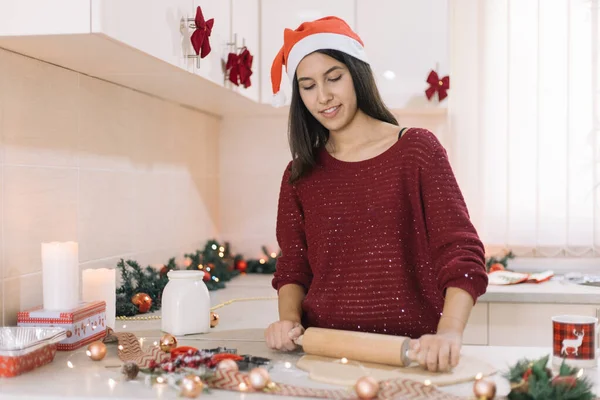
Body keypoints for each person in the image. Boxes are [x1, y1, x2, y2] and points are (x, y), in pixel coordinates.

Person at [264, 16, 488, 373]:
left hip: (412, 356)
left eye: (334, 77)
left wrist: (448, 333)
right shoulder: (298, 175)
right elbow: (293, 267)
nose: (323, 96)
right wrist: (288, 321)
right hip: (323, 355)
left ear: (358, 74)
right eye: (307, 86)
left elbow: (461, 252)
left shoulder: (416, 150)